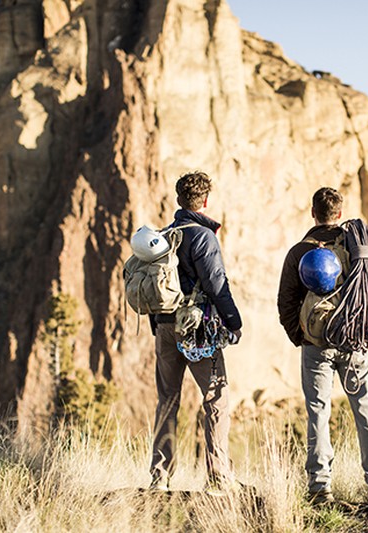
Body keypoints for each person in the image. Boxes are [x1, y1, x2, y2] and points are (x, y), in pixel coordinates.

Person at [276, 187, 368, 505]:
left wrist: (300, 336)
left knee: (318, 411)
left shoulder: (298, 252)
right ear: (339, 214)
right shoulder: (356, 248)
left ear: (313, 213)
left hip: (316, 342)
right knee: (366, 409)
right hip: (355, 341)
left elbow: (285, 302)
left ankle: (319, 487)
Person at [149, 171, 242, 494]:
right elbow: (217, 284)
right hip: (198, 329)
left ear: (179, 200)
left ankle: (160, 476)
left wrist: (158, 326)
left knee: (167, 400)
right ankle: (218, 478)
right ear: (205, 201)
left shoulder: (162, 236)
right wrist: (233, 321)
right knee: (216, 398)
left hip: (164, 327)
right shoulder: (203, 237)